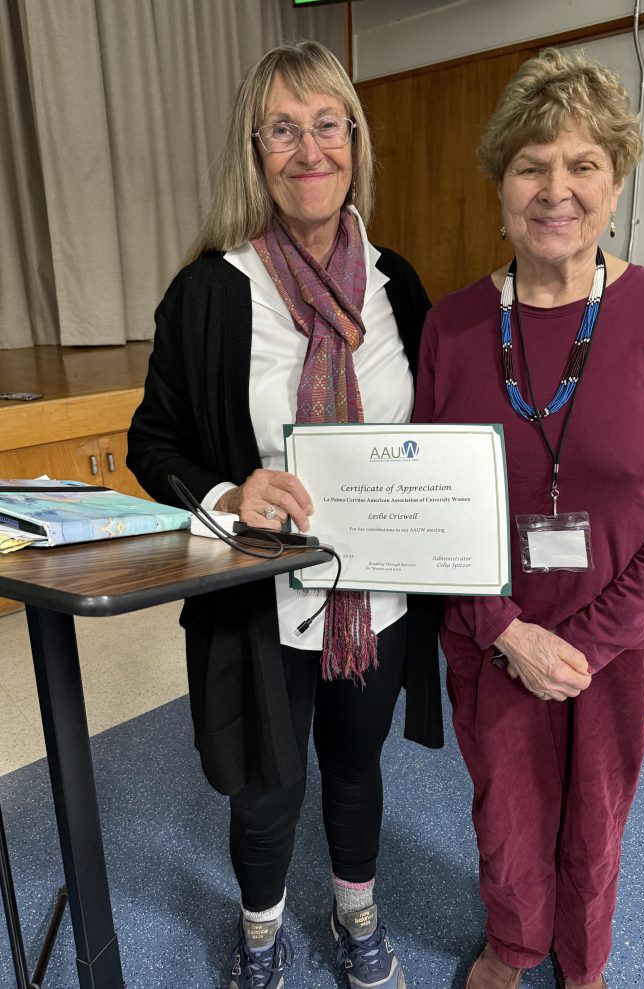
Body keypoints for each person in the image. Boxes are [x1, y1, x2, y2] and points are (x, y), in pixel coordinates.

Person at [412, 48, 644, 989]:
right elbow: (432, 498)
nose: (557, 188)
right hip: (491, 624)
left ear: (616, 179)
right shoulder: (455, 326)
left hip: (623, 637)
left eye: (583, 163)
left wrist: (588, 639)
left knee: (597, 810)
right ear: (500, 185)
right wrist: (503, 627)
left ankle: (584, 957)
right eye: (530, 164)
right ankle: (514, 940)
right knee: (504, 802)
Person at [127, 40, 442, 989]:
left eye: (328, 123)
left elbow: (437, 431)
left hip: (377, 599)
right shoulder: (212, 293)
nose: (309, 148)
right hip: (261, 602)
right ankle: (259, 929)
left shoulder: (400, 286)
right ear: (254, 150)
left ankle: (357, 912)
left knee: (355, 768)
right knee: (267, 788)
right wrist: (229, 493)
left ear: (356, 139)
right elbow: (156, 442)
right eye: (282, 129)